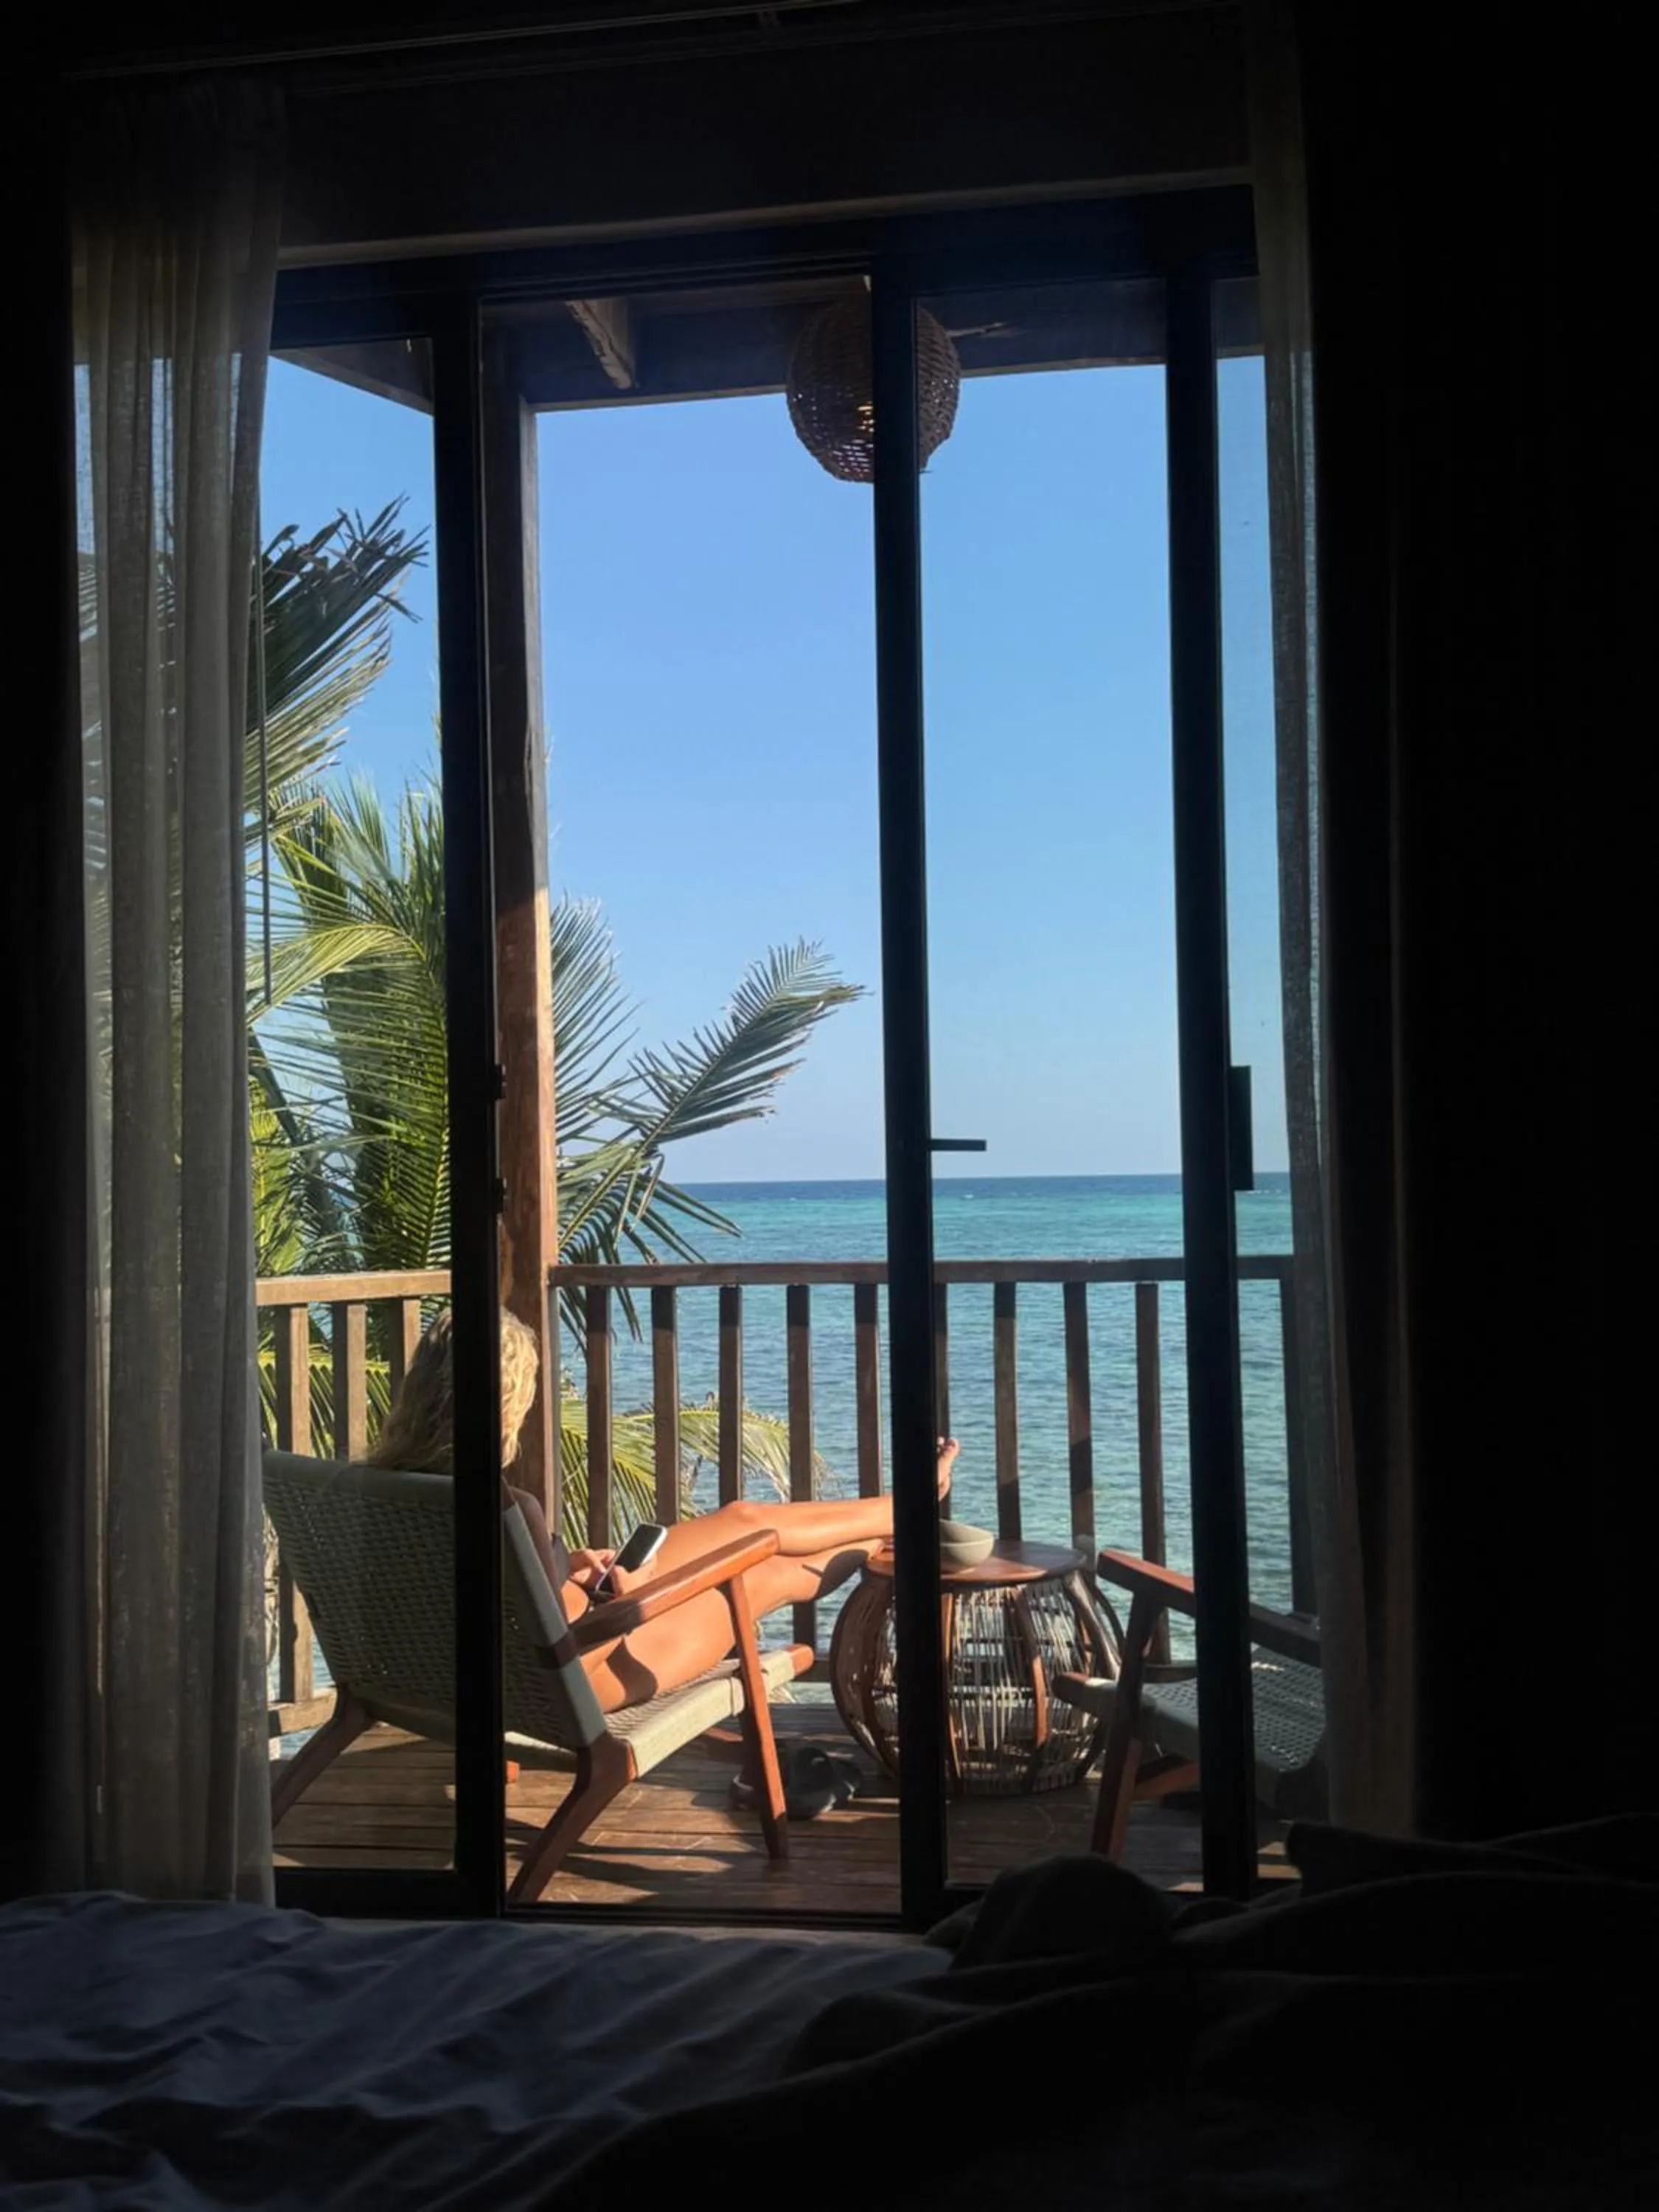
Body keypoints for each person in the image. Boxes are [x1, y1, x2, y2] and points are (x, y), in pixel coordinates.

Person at [367, 1307, 958, 1716]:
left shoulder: (381, 1492)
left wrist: (565, 1566)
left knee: (745, 1519)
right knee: (764, 1571)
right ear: (511, 1403)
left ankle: (897, 1513)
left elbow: (459, 1598)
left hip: (514, 1658)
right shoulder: (504, 1509)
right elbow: (557, 1646)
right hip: (577, 1674)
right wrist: (619, 1599)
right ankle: (905, 1511)